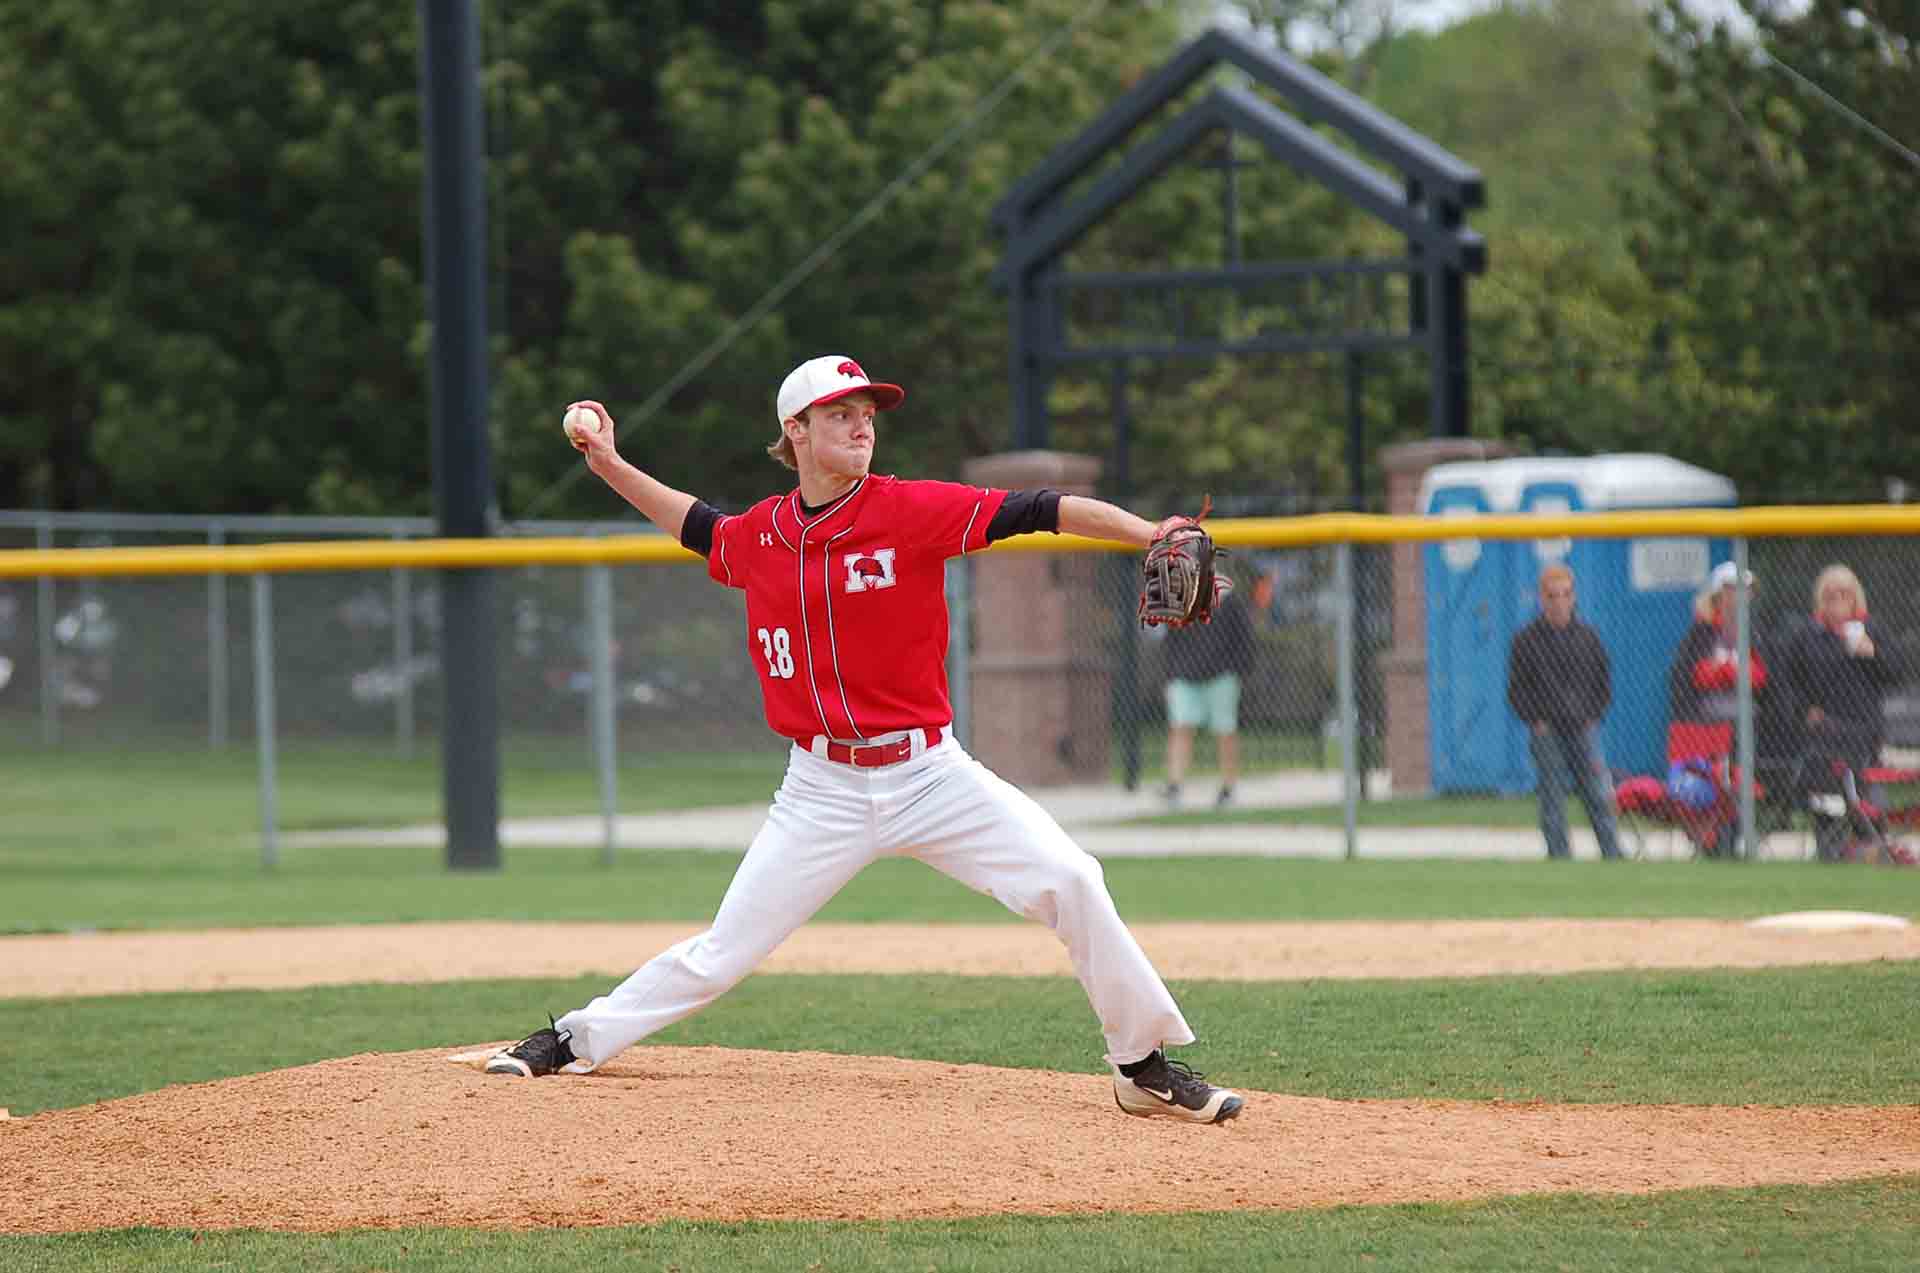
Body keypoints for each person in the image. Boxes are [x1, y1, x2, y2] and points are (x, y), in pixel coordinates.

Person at [484, 355, 1244, 1125]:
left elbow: (1043, 507)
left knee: (1073, 879)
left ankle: (1141, 1066)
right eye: (841, 411)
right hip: (820, 791)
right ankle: (573, 1037)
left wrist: (1154, 533)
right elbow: (691, 522)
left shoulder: (909, 508)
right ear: (797, 430)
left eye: (868, 412)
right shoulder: (763, 534)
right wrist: (609, 462)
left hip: (931, 775)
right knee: (723, 951)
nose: (862, 424)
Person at [1778, 564, 1907, 860]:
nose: (1837, 600)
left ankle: (1869, 841)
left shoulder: (1871, 630)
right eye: (1830, 594)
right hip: (1824, 732)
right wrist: (1805, 710)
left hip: (1864, 729)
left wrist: (1872, 653)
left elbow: (1898, 673)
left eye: (1844, 593)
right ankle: (1831, 843)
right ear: (1820, 599)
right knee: (1827, 781)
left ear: (1855, 597)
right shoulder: (1807, 635)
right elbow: (1788, 682)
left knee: (1865, 782)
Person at [1505, 563, 1624, 861]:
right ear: (1542, 599)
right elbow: (1517, 690)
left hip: (1583, 728)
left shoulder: (1588, 637)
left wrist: (1593, 715)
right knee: (1552, 797)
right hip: (1547, 733)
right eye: (1552, 596)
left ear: (1574, 597)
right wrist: (1536, 721)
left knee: (1597, 793)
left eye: (1565, 594)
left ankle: (1612, 852)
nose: (1559, 602)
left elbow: (1603, 682)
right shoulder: (1526, 641)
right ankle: (1559, 855)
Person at [1664, 561, 1770, 856]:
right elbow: (1690, 678)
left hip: (1748, 727)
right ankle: (1714, 840)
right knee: (1713, 782)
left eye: (1746, 590)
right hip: (1707, 728)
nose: (1740, 596)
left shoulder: (1757, 633)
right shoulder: (1701, 634)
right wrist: (1725, 672)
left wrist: (1729, 672)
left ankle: (1737, 837)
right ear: (1718, 595)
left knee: (1742, 779)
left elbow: (1764, 678)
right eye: (1733, 589)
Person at [1160, 571, 1268, 809]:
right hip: (1185, 674)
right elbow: (1170, 640)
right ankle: (1174, 786)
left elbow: (1244, 637)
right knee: (1180, 727)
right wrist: (1170, 675)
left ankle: (1228, 788)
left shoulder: (1227, 597)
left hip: (1221, 675)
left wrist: (1237, 670)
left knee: (1225, 730)